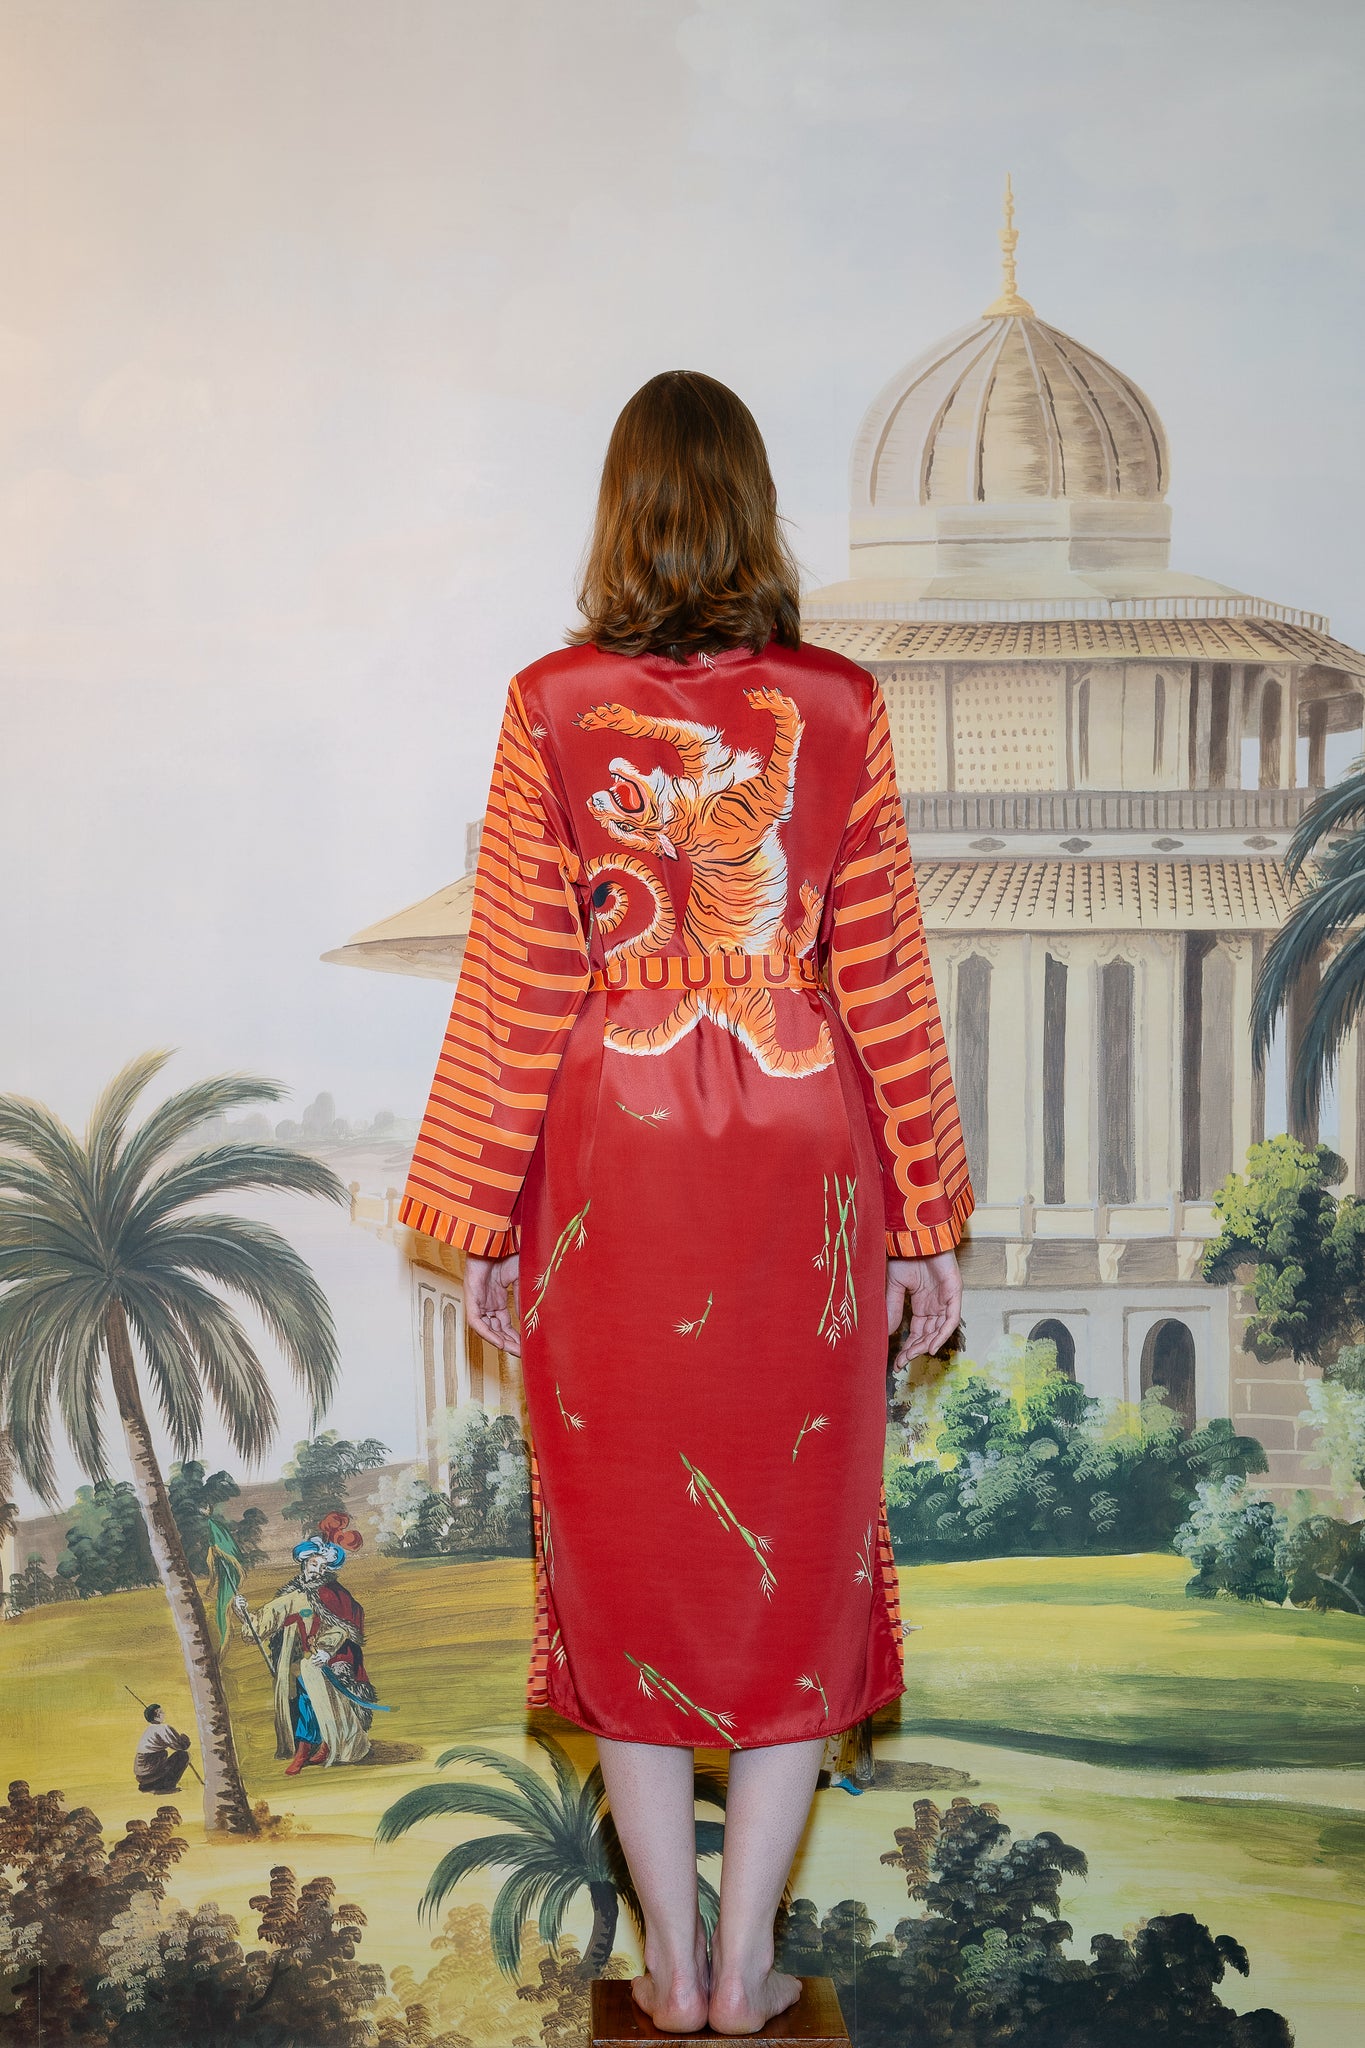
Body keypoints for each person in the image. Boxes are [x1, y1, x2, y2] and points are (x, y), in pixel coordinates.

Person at [400, 371, 971, 2036]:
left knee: (625, 1564)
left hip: (613, 1161)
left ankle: (666, 1964)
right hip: (805, 1164)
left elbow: (520, 980)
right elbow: (883, 977)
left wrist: (487, 1218)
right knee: (798, 1560)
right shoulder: (842, 707)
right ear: (754, 509)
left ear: (621, 511)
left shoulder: (550, 704)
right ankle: (744, 1965)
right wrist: (927, 1223)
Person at [232, 1511, 374, 1773]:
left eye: (322, 1567)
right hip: (299, 1662)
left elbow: (342, 1626)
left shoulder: (333, 1594)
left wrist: (326, 1651)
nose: (317, 1570)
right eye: (313, 1564)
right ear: (304, 1563)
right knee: (301, 1700)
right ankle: (304, 1748)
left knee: (322, 1701)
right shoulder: (293, 1594)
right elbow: (264, 1620)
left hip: (327, 1661)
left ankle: (327, 1744)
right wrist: (242, 1612)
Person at [133, 1703, 192, 1793]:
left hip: (142, 1775)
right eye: (161, 1712)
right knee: (183, 1755)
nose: (164, 1713)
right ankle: (166, 1787)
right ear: (156, 1715)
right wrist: (184, 1739)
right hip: (150, 1772)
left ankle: (151, 1785)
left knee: (165, 1754)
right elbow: (180, 1746)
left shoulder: (149, 1729)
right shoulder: (162, 1728)